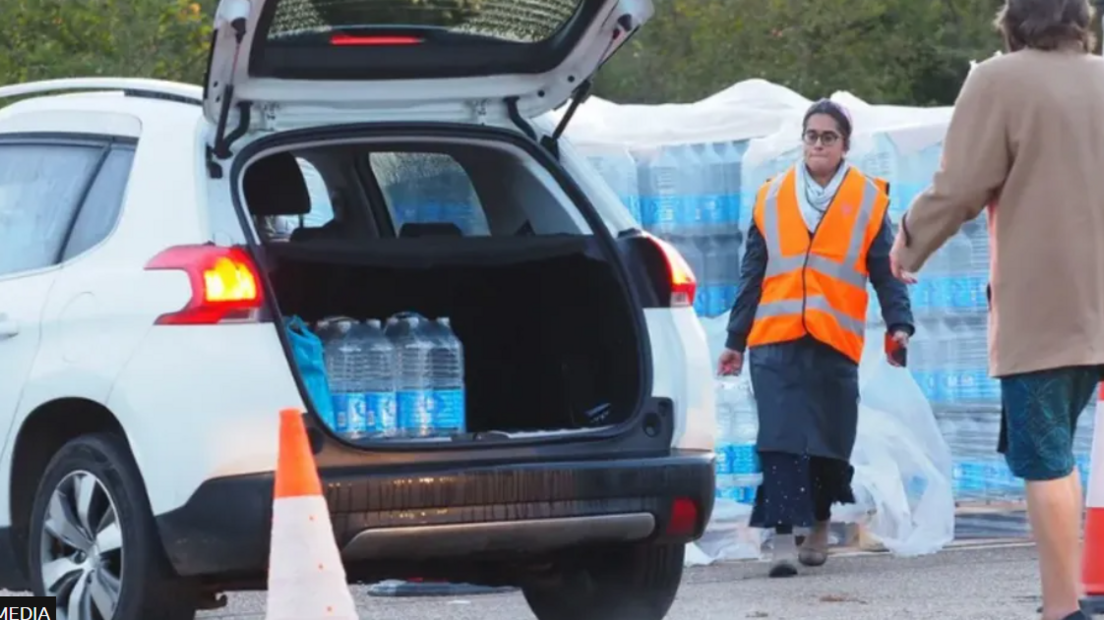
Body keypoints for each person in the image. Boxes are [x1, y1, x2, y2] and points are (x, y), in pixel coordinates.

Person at [889, 2, 1104, 618]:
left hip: (1046, 307)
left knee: (1048, 458)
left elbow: (960, 184)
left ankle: (1063, 607)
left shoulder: (998, 80)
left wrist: (908, 245)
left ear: (1015, 19)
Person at [719, 99, 915, 578]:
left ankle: (822, 523)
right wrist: (734, 341)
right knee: (781, 440)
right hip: (774, 338)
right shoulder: (771, 196)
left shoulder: (869, 200)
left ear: (845, 145)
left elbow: (886, 273)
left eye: (829, 137)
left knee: (829, 441)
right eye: (812, 135)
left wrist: (899, 325)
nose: (819, 144)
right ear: (802, 141)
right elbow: (751, 277)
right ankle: (783, 536)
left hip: (834, 340)